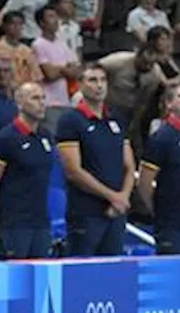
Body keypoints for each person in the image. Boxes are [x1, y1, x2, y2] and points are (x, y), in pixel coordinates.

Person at [56, 64, 135, 256]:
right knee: (82, 272)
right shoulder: (70, 121)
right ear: (80, 85)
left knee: (113, 271)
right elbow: (73, 171)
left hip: (116, 212)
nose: (99, 85)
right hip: (86, 212)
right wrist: (112, 196)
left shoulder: (116, 119)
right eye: (92, 80)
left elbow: (129, 165)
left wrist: (123, 196)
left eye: (103, 80)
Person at [0, 82, 55, 259]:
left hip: (41, 221)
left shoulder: (45, 136)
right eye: (35, 98)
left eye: (43, 98)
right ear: (20, 103)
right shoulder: (6, 138)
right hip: (15, 224)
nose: (41, 103)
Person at [139, 79, 180, 254]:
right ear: (169, 103)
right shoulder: (162, 138)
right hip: (172, 225)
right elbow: (144, 182)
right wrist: (157, 208)